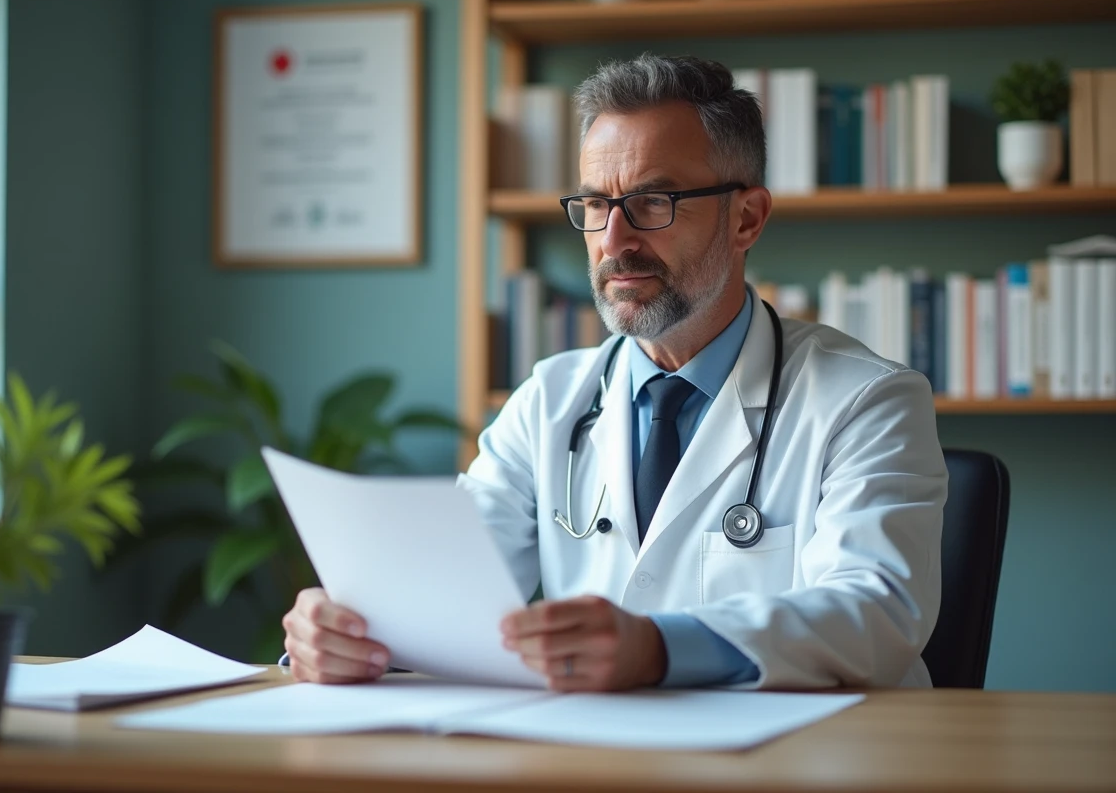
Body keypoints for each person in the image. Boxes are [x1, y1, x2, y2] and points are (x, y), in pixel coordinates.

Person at [281, 54, 947, 691]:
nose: (615, 241)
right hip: (596, 760)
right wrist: (342, 634)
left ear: (746, 218)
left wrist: (658, 648)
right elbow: (444, 593)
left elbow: (877, 612)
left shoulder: (868, 400)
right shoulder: (548, 401)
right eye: (597, 205)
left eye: (654, 201)